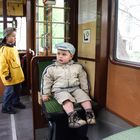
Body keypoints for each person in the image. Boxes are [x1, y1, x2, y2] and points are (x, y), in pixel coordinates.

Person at [41, 42, 96, 128]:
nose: (60, 56)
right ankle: (73, 119)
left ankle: (89, 115)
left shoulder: (77, 66)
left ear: (71, 56)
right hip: (59, 90)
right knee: (66, 99)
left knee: (85, 98)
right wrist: (45, 94)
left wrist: (85, 91)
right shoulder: (51, 68)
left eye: (64, 54)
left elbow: (83, 80)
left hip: (75, 88)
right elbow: (46, 82)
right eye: (58, 54)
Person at [0, 27, 26, 114]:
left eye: (15, 36)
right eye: (13, 36)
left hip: (16, 74)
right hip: (9, 75)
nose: (15, 38)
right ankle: (5, 107)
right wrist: (6, 75)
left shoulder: (13, 47)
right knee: (9, 91)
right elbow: (3, 64)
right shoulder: (4, 49)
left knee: (18, 89)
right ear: (7, 37)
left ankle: (16, 102)